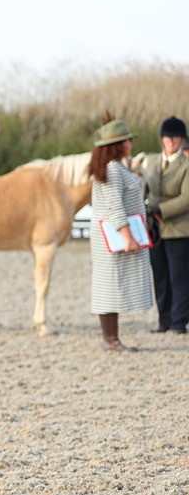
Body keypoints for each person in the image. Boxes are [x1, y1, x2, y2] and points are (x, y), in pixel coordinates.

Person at [88, 117, 154, 350]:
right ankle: (110, 339)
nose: (130, 143)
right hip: (114, 235)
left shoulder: (112, 167)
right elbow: (115, 205)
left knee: (109, 284)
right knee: (108, 285)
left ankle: (112, 338)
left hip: (108, 234)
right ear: (118, 144)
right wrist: (127, 235)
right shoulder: (113, 169)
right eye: (127, 139)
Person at [142, 116, 189, 334]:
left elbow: (186, 198)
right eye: (167, 137)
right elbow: (144, 190)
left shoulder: (186, 165)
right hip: (154, 229)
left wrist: (161, 209)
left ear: (182, 140)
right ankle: (164, 320)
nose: (171, 140)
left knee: (178, 277)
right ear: (162, 139)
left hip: (179, 228)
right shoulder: (151, 162)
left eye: (175, 137)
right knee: (160, 276)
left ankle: (179, 322)